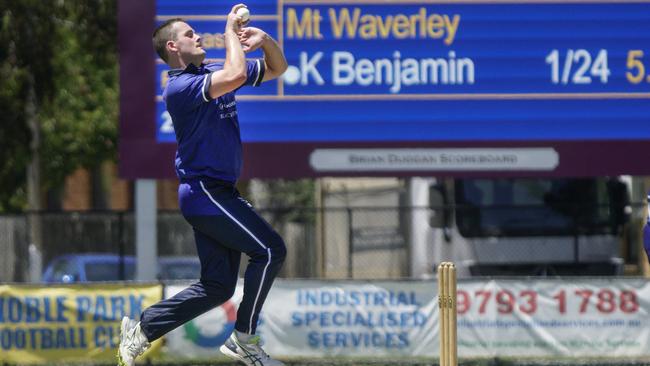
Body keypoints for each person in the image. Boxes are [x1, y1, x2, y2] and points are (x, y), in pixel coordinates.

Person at [117, 4, 288, 366]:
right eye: (190, 34)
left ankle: (143, 329)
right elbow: (237, 71)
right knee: (270, 250)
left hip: (215, 193)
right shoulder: (180, 87)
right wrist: (230, 29)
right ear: (173, 48)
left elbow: (278, 68)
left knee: (218, 287)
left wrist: (265, 40)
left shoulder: (211, 71)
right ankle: (244, 338)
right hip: (204, 191)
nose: (198, 37)